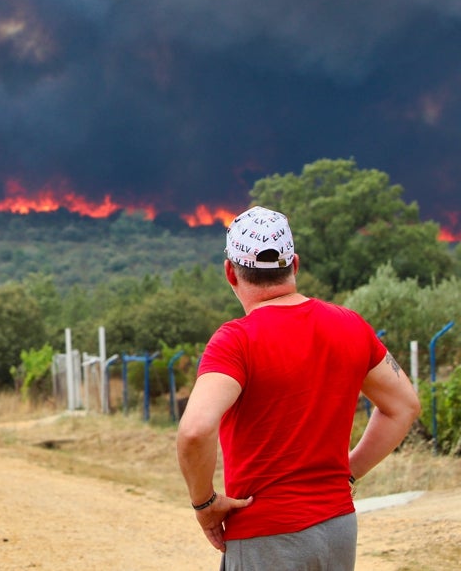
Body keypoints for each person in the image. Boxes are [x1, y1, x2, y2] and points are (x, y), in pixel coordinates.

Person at [176, 205, 421, 570]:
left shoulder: (235, 341)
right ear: (295, 265)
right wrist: (348, 471)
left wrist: (205, 505)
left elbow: (195, 431)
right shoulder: (350, 325)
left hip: (265, 535)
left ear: (230, 271)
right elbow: (404, 405)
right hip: (338, 528)